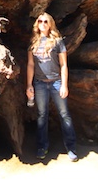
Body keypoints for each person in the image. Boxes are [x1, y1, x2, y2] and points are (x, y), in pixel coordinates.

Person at [25, 12, 78, 161]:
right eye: (40, 21)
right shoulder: (33, 43)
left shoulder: (58, 42)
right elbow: (30, 65)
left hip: (56, 82)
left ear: (50, 24)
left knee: (64, 114)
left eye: (46, 21)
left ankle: (71, 147)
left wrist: (64, 85)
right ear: (37, 24)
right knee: (42, 115)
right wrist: (29, 85)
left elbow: (64, 65)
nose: (42, 23)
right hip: (40, 83)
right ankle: (42, 146)